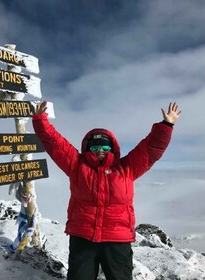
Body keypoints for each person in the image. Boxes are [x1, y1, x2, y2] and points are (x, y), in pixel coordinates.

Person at [32, 102, 181, 280]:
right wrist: (40, 121)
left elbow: (150, 150)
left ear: (112, 148)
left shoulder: (127, 167)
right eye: (95, 148)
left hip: (117, 239)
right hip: (83, 236)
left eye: (105, 147)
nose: (100, 151)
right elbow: (55, 145)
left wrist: (166, 126)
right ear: (87, 149)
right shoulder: (77, 166)